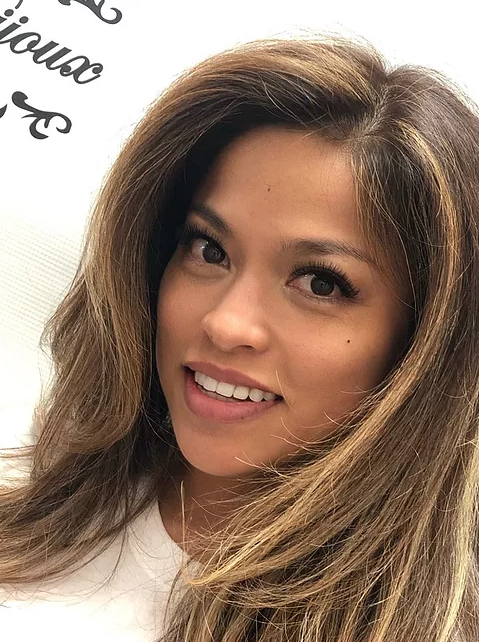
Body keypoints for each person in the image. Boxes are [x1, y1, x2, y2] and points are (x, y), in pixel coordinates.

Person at [1, 31, 479, 642]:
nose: (227, 324)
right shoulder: (40, 479)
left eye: (321, 283)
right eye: (208, 249)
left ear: (423, 344)